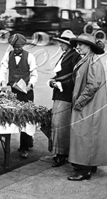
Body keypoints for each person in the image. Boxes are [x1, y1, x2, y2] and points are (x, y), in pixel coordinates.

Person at [67, 34, 107, 181]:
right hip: (88, 104)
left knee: (83, 135)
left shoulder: (93, 63)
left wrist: (79, 102)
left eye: (81, 45)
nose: (77, 47)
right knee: (88, 134)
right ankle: (90, 165)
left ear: (90, 47)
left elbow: (93, 85)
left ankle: (84, 170)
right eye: (77, 44)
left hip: (88, 105)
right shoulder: (87, 60)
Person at [0, 33, 38, 159]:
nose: (16, 49)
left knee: (26, 118)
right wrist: (3, 82)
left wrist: (30, 84)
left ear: (23, 46)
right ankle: (25, 140)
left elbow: (34, 74)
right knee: (13, 116)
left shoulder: (30, 57)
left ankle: (24, 147)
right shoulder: (8, 55)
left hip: (26, 92)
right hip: (13, 91)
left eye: (19, 47)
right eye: (15, 47)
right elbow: (3, 70)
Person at [49, 30, 81, 168]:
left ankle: (62, 154)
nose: (60, 45)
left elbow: (76, 78)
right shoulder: (65, 55)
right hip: (59, 94)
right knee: (56, 123)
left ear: (69, 44)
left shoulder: (75, 57)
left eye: (62, 43)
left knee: (61, 124)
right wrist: (53, 81)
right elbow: (60, 74)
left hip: (66, 95)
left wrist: (60, 83)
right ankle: (58, 152)